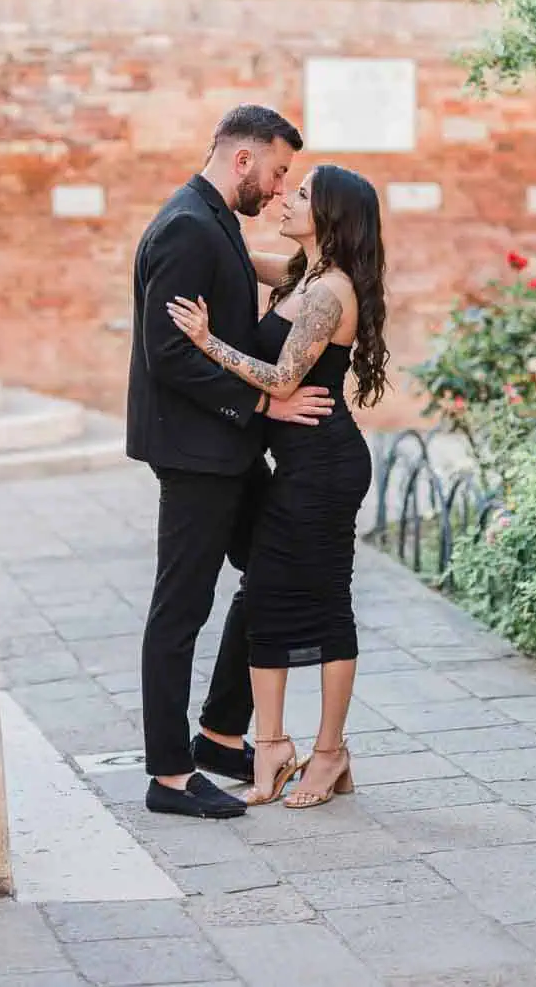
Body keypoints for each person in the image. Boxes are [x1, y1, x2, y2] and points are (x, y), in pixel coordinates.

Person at [128, 105, 335, 819]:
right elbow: (167, 353)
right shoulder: (187, 225)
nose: (278, 189)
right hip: (197, 452)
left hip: (228, 450)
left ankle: (219, 734)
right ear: (242, 159)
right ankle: (169, 776)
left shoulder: (215, 220)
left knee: (275, 569)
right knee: (180, 607)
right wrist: (263, 404)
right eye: (277, 172)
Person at [167, 164, 388, 809]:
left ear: (330, 216)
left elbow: (283, 380)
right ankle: (269, 746)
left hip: (325, 467)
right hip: (298, 464)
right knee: (263, 593)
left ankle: (330, 752)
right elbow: (239, 260)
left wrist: (206, 342)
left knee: (325, 600)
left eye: (301, 194)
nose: (286, 199)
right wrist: (198, 227)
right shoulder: (303, 274)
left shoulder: (328, 293)